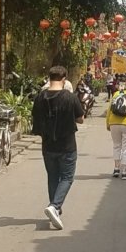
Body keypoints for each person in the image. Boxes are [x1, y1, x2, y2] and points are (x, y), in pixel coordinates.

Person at [31, 66, 84, 230]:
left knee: (53, 177)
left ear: (49, 78)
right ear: (64, 79)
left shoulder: (40, 97)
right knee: (67, 177)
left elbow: (35, 117)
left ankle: (55, 209)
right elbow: (80, 118)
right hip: (67, 145)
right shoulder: (70, 97)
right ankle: (54, 206)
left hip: (47, 145)